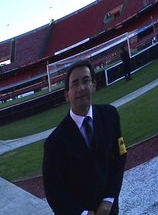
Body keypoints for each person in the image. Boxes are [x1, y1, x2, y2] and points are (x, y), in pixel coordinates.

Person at [43, 59, 127, 215]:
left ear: (93, 85)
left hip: (109, 211)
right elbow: (54, 192)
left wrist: (108, 199)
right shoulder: (54, 142)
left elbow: (119, 158)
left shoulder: (110, 116)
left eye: (86, 81)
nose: (81, 88)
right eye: (74, 84)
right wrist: (82, 213)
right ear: (67, 95)